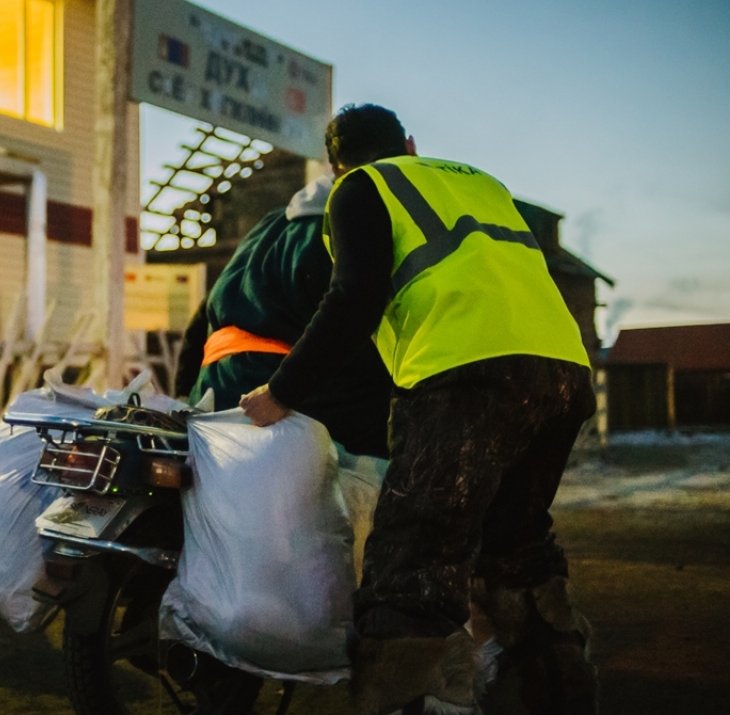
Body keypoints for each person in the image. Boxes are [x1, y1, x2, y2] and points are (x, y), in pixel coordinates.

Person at [240, 104, 599, 715]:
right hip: (562, 371)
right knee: (517, 544)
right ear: (408, 142)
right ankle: (560, 690)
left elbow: (353, 298)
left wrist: (282, 392)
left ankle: (411, 698)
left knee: (412, 562)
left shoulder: (361, 187)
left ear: (335, 164)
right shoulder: (481, 184)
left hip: (464, 374)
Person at [175, 175, 393, 458]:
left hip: (215, 394)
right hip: (291, 407)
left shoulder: (267, 227)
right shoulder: (349, 229)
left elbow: (200, 322)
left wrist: (182, 394)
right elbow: (352, 315)